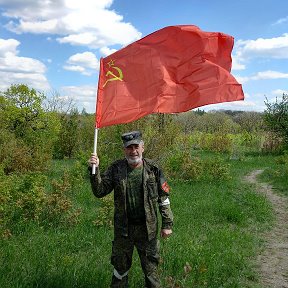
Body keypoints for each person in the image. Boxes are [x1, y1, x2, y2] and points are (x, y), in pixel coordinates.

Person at [88, 130, 173, 288]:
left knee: (151, 271)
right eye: (129, 148)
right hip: (123, 230)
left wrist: (167, 224)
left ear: (142, 147)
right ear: (124, 149)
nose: (133, 151)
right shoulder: (116, 168)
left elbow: (164, 198)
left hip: (148, 229)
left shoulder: (153, 169)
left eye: (136, 147)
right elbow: (100, 191)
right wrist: (95, 170)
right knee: (120, 269)